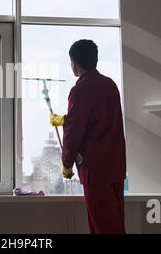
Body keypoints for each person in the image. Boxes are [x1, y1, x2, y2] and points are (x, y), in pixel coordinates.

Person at [50, 39, 126, 234]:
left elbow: (75, 130)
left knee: (103, 228)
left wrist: (66, 163)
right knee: (116, 224)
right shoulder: (110, 86)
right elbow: (99, 119)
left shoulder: (80, 90)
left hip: (96, 172)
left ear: (74, 63)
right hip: (116, 167)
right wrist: (64, 119)